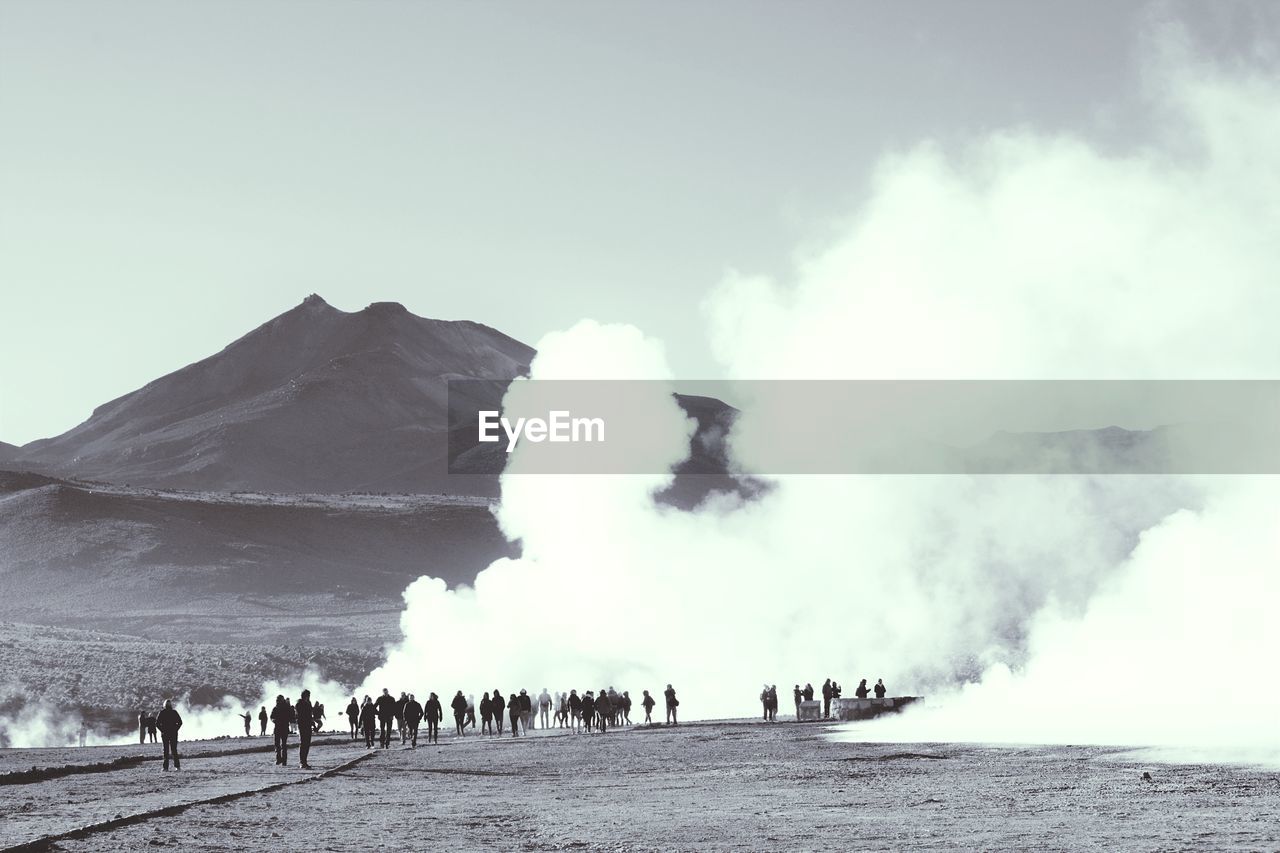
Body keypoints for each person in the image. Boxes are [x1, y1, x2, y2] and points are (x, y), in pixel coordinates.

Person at [156, 699, 183, 771]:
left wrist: (162, 730)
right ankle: (177, 767)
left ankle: (165, 768)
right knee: (174, 750)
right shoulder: (174, 712)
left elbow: (157, 723)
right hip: (173, 733)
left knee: (166, 750)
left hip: (165, 734)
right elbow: (180, 722)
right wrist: (175, 729)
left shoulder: (162, 712)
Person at [270, 695, 292, 765]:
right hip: (282, 727)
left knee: (279, 744)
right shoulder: (281, 708)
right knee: (282, 744)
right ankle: (282, 760)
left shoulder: (279, 708)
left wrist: (275, 720)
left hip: (280, 727)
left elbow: (272, 717)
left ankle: (280, 759)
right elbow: (272, 717)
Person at [295, 690, 314, 769]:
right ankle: (302, 762)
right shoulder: (299, 704)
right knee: (303, 743)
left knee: (307, 744)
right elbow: (300, 715)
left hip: (308, 725)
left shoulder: (309, 703)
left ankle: (305, 761)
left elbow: (310, 714)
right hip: (302, 725)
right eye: (307, 695)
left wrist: (312, 723)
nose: (308, 697)